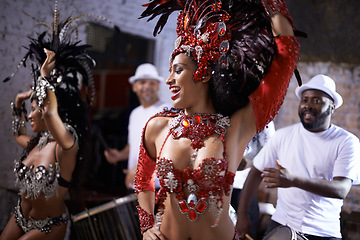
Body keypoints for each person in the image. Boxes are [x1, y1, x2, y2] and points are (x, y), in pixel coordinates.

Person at [134, 0, 301, 239]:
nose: (169, 79)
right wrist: (147, 227)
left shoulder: (236, 126)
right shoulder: (158, 126)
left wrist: (272, 4)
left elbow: (287, 55)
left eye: (178, 70)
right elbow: (142, 181)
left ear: (203, 74)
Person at [0, 8, 96, 240]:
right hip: (19, 217)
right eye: (31, 110)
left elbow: (50, 111)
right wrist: (17, 103)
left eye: (35, 110)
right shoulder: (37, 142)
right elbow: (17, 134)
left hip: (47, 226)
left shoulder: (66, 146)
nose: (31, 115)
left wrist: (44, 77)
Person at [236, 74, 360, 240]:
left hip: (323, 232)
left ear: (332, 107)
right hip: (281, 225)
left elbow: (341, 189)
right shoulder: (283, 136)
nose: (308, 105)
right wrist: (243, 215)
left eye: (317, 100)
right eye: (305, 100)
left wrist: (294, 180)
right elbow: (255, 173)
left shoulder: (346, 141)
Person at [104, 63, 168, 189]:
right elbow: (133, 146)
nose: (147, 87)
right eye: (142, 82)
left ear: (158, 86)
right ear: (134, 87)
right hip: (135, 187)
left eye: (152, 83)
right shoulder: (135, 113)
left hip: (157, 189)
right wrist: (120, 155)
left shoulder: (166, 112)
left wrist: (141, 169)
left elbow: (168, 151)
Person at [231, 121, 275, 239]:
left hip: (242, 188)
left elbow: (269, 156)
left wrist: (247, 164)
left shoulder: (263, 119)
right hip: (214, 188)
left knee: (245, 233)